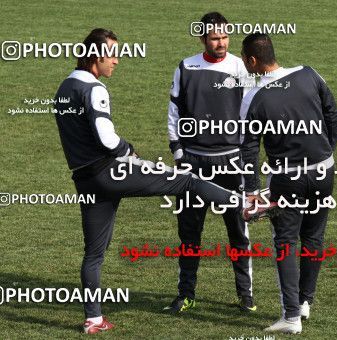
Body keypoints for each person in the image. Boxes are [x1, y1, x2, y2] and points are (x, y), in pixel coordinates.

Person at [54, 28, 271, 334]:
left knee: (94, 253)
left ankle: (93, 318)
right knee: (187, 179)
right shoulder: (95, 89)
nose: (116, 61)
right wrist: (126, 148)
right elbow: (106, 138)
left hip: (85, 180)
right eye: (112, 54)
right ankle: (246, 204)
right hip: (113, 172)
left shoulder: (63, 88)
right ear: (96, 56)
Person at [239, 33, 337, 334]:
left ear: (253, 60)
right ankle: (306, 301)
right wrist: (327, 151)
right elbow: (332, 112)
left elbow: (248, 148)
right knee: (314, 237)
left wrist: (253, 191)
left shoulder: (252, 98)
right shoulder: (309, 73)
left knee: (286, 242)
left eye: (245, 60)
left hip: (288, 179)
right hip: (324, 171)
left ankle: (292, 316)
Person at [166, 12, 257, 313]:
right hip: (193, 163)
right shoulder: (186, 66)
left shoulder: (240, 67)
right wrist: (178, 152)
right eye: (215, 38)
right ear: (203, 38)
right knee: (189, 232)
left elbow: (249, 115)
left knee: (238, 229)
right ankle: (186, 293)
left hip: (230, 162)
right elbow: (174, 111)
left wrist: (245, 157)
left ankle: (245, 295)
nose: (221, 43)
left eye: (225, 37)